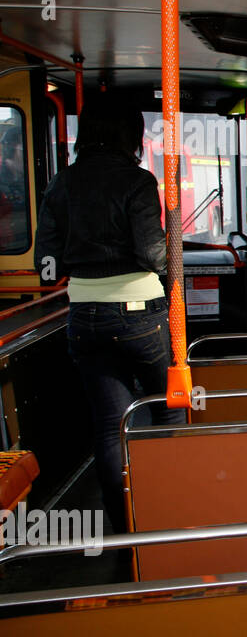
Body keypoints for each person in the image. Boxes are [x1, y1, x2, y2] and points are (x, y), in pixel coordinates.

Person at [34, 91, 180, 534]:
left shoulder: (62, 183)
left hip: (84, 315)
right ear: (130, 135)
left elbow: (47, 267)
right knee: (169, 408)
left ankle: (125, 527)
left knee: (110, 427)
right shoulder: (136, 182)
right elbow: (156, 255)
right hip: (139, 313)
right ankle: (172, 508)